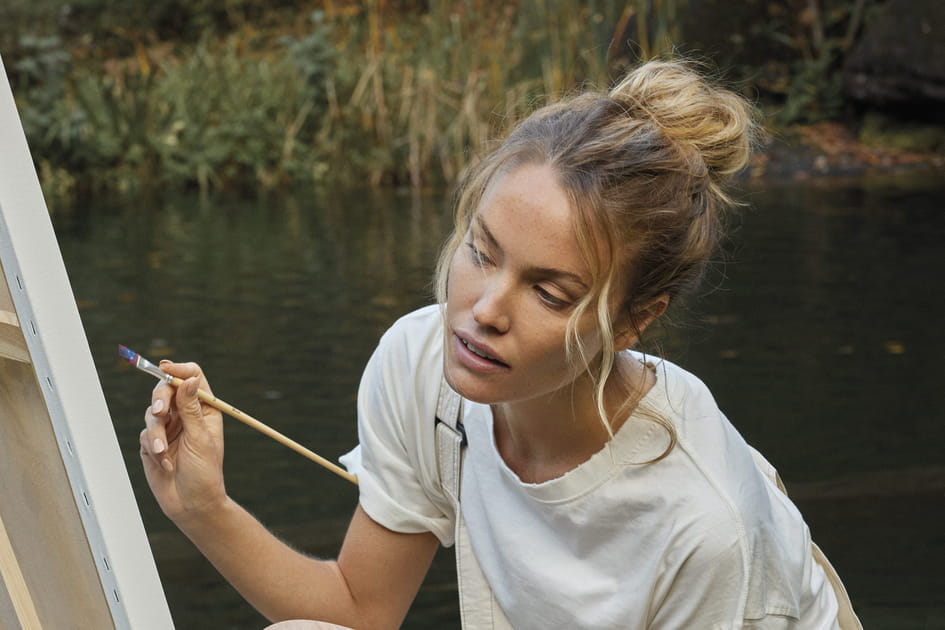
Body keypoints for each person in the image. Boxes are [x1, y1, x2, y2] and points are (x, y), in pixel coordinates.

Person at [140, 60, 860, 629]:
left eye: (549, 293)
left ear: (635, 319)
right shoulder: (424, 365)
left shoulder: (705, 530)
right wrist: (202, 508)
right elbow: (359, 613)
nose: (483, 311)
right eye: (481, 252)